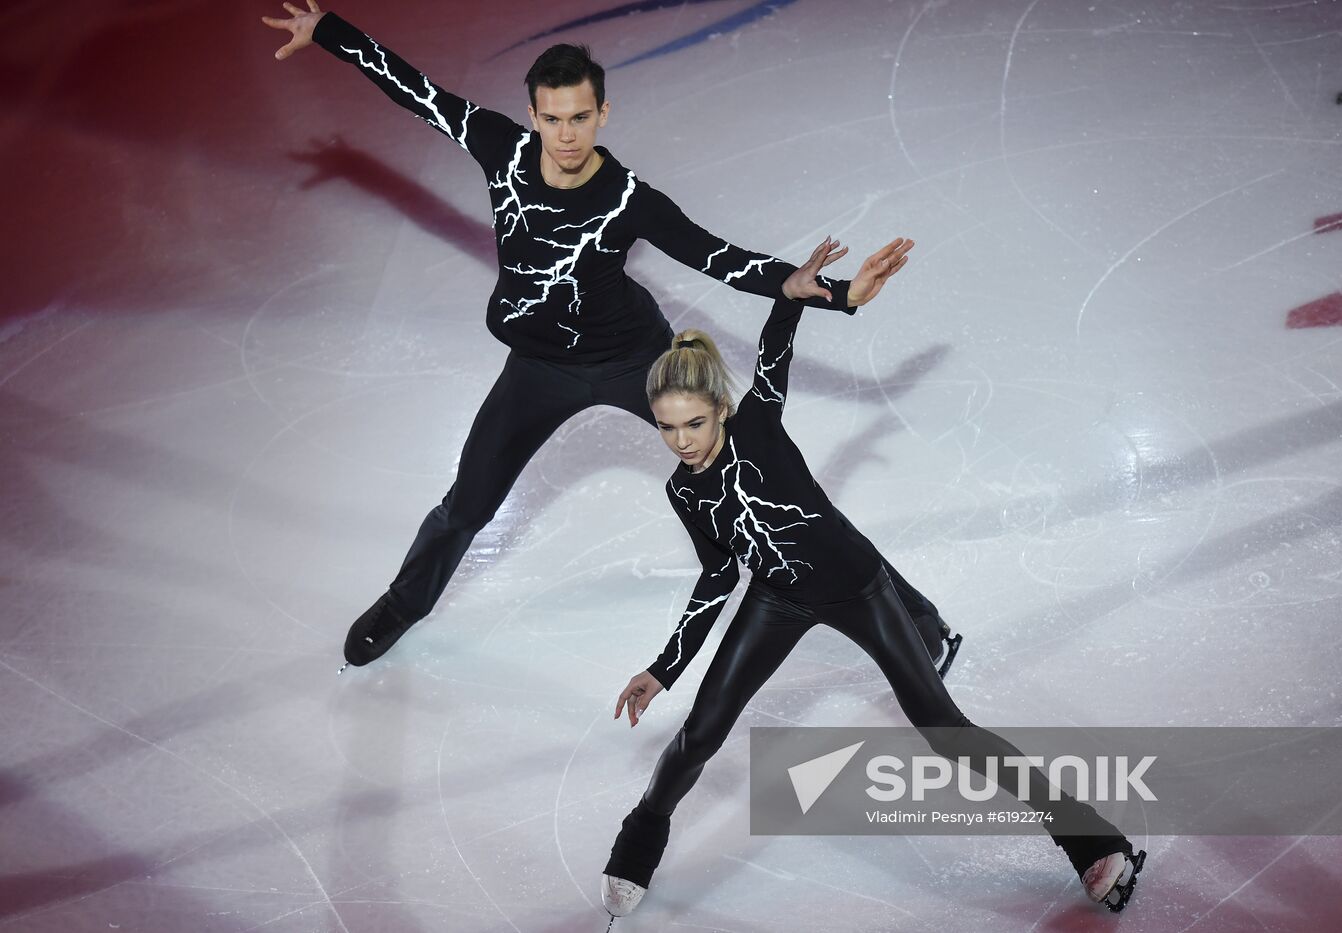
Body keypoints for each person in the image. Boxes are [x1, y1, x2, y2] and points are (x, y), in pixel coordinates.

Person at [260, 3, 957, 669]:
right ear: (532, 114)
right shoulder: (500, 148)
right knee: (465, 504)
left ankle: (918, 621)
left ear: (603, 113)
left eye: (580, 117)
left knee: (777, 484)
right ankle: (402, 605)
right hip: (538, 366)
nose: (566, 134)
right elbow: (416, 91)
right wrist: (328, 29)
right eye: (553, 118)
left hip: (638, 360)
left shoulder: (628, 198)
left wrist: (832, 292)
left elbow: (713, 253)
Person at [603, 238, 1145, 918]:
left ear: (720, 406)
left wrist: (800, 297)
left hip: (860, 586)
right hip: (776, 598)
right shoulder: (683, 491)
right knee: (699, 734)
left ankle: (1089, 838)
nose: (682, 441)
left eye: (695, 422)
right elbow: (717, 577)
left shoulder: (759, 423)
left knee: (946, 729)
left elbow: (777, 347)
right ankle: (640, 837)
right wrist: (663, 669)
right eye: (666, 428)